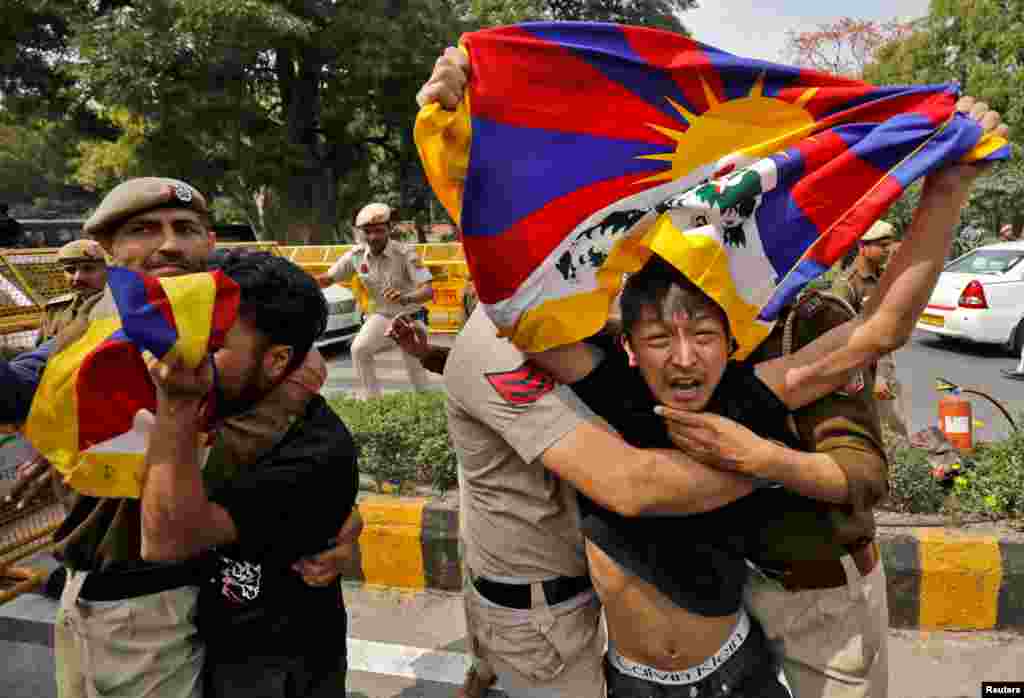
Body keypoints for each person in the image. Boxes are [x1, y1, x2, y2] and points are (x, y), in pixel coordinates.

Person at [416, 47, 1007, 698]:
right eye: (660, 338)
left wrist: (949, 186)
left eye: (702, 335)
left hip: (738, 671)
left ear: (732, 342)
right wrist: (472, 123)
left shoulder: (750, 394)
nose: (685, 356)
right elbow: (517, 293)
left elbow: (877, 330)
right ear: (628, 347)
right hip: (628, 680)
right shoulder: (609, 392)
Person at [0, 177, 357, 698]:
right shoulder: (89, 333)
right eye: (144, 229)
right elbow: (18, 390)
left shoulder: (250, 334)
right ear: (110, 251)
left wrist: (338, 525)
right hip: (83, 584)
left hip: (162, 598)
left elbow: (293, 450)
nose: (169, 244)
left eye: (186, 229)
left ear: (209, 244)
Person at [141, 251, 357, 698]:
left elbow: (167, 539)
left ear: (277, 360)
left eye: (213, 343)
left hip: (273, 662)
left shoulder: (316, 453)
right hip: (202, 640)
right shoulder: (221, 402)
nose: (186, 353)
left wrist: (176, 406)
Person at [316, 202, 434, 399]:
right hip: (382, 317)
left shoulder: (405, 253)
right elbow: (327, 279)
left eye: (379, 231)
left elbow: (428, 291)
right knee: (359, 349)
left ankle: (426, 407)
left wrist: (406, 298)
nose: (372, 237)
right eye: (367, 232)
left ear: (389, 229)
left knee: (417, 372)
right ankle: (373, 402)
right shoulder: (356, 255)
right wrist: (295, 280)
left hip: (410, 318)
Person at [832, 221, 910, 440]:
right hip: (861, 373)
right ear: (863, 247)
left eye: (889, 244)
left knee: (895, 429)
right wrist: (872, 377)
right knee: (871, 432)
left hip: (883, 366)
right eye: (882, 245)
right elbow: (841, 339)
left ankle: (896, 471)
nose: (888, 250)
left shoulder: (884, 277)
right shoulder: (846, 285)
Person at [38, 239, 109, 345]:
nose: (77, 277)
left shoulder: (124, 308)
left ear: (109, 271)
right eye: (70, 270)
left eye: (88, 269)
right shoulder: (56, 310)